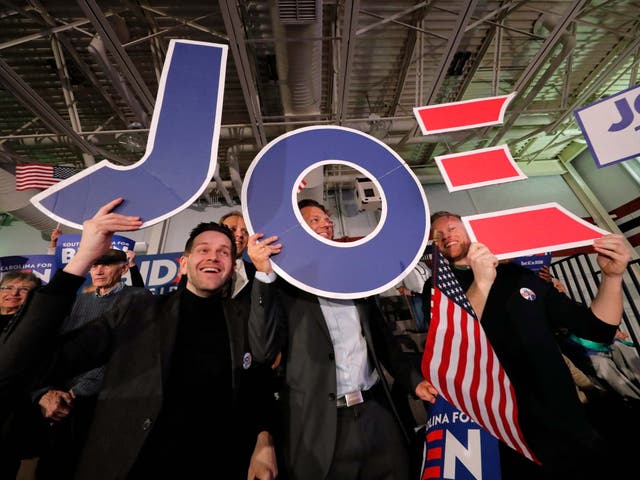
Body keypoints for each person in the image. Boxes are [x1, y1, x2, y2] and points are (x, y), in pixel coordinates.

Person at [0, 198, 278, 480]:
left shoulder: (242, 320)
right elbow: (20, 362)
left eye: (224, 253)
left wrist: (263, 441)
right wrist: (82, 259)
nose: (213, 257)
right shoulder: (138, 309)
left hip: (213, 464)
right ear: (183, 264)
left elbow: (259, 379)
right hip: (133, 465)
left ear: (231, 268)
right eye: (203, 249)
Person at [422, 210, 633, 480]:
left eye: (452, 227)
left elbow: (598, 328)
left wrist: (613, 278)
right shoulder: (437, 285)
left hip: (565, 414)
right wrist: (482, 281)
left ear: (472, 230)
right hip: (505, 427)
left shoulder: (518, 275)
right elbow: (454, 342)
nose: (445, 236)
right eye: (438, 235)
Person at [247, 198, 438, 480]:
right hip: (320, 429)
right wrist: (264, 274)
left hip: (378, 416)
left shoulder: (354, 278)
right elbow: (262, 350)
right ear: (295, 229)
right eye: (315, 219)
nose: (326, 222)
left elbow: (383, 340)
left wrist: (413, 380)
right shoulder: (282, 286)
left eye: (327, 218)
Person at [33, 248, 152, 479]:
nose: (98, 270)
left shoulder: (138, 298)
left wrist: (79, 391)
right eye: (95, 265)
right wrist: (50, 392)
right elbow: (59, 348)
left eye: (106, 264)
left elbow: (127, 352)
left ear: (124, 268)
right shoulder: (79, 301)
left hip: (105, 400)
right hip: (63, 403)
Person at [0, 271, 41, 479]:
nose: (13, 293)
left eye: (23, 289)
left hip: (10, 414)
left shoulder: (34, 327)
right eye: (7, 287)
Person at [220, 210, 256, 303]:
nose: (240, 235)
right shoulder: (201, 267)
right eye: (233, 229)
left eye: (245, 232)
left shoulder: (257, 273)